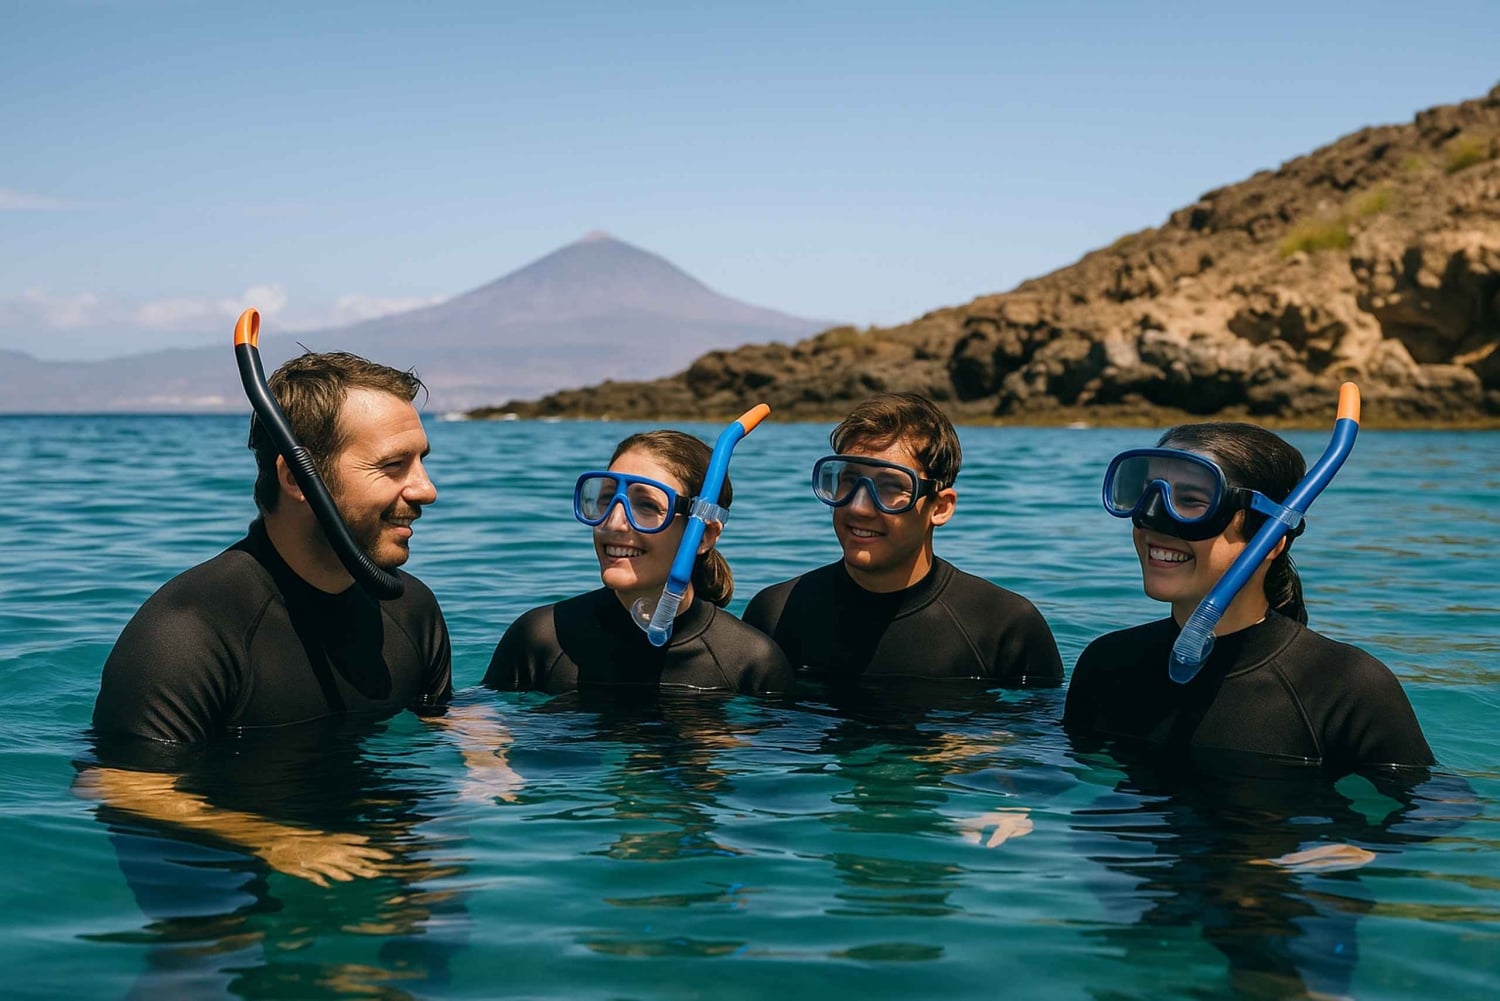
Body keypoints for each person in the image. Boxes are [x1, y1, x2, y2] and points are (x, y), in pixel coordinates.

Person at [79, 350, 493, 888]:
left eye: (421, 462)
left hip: (362, 832)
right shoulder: (189, 629)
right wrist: (273, 840)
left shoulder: (410, 608)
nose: (426, 490)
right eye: (393, 466)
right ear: (297, 477)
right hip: (220, 865)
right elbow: (116, 786)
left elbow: (440, 712)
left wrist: (485, 753)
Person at [1063, 420, 1434, 775]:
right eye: (1146, 492)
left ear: (1270, 542)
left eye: (1191, 500)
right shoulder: (1108, 665)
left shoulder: (1345, 687)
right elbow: (1062, 776)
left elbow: (1430, 806)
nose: (1150, 517)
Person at [741, 392, 1062, 689]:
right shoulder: (776, 614)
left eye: (891, 487)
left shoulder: (1006, 628)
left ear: (940, 507)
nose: (858, 507)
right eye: (849, 480)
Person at [484, 429, 791, 695]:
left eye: (646, 505)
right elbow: (482, 725)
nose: (614, 523)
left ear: (704, 536)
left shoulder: (749, 661)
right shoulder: (541, 637)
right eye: (606, 499)